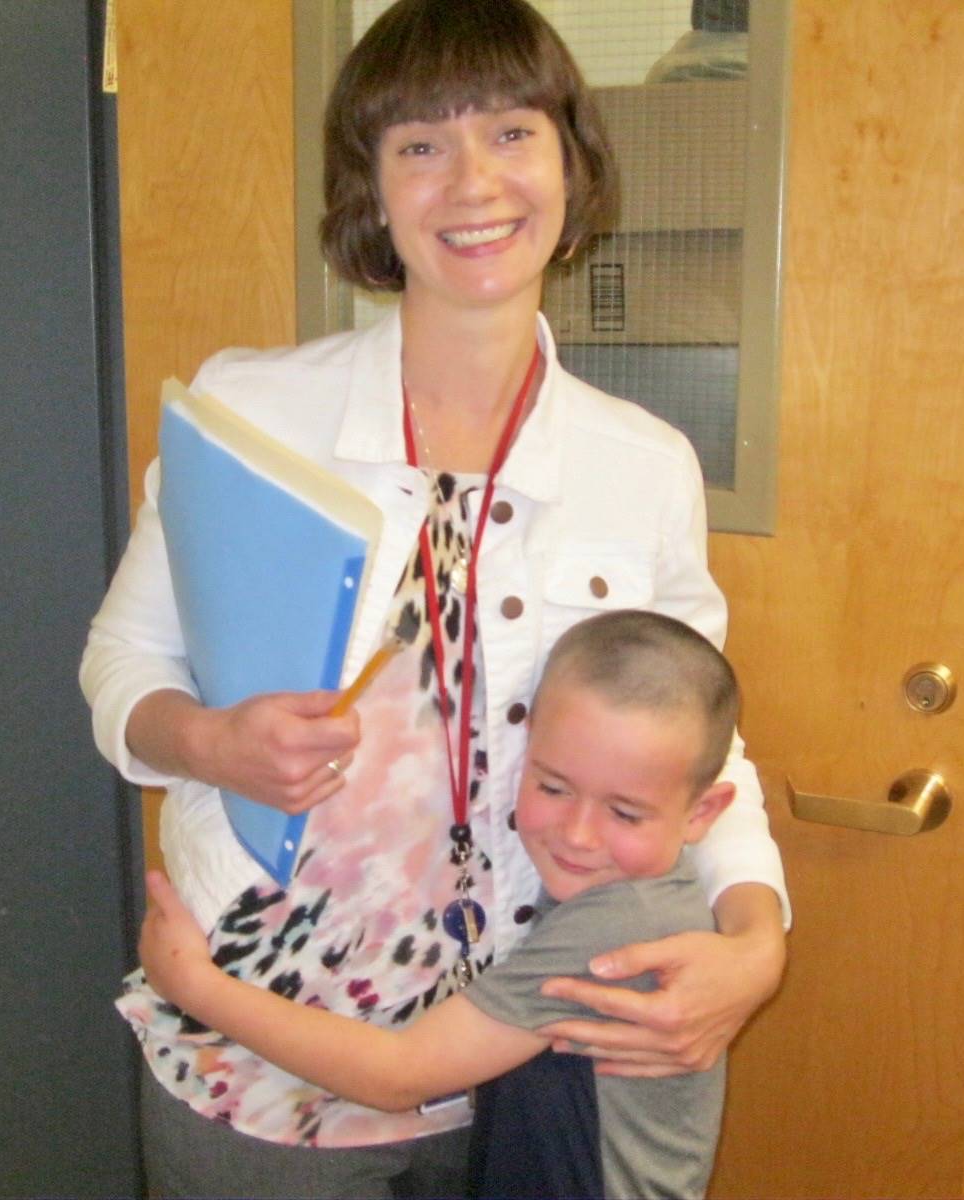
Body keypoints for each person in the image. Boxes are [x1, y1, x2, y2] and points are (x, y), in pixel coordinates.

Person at [80, 0, 788, 1194]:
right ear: (373, 188)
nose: (472, 182)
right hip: (258, 1035)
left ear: (569, 160)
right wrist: (208, 740)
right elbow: (121, 668)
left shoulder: (642, 465)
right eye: (419, 145)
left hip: (511, 1044)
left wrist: (757, 942)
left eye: (511, 133)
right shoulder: (249, 412)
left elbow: (695, 740)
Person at [139, 611, 744, 1200]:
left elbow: (399, 1074)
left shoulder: (618, 927)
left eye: (624, 813)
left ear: (703, 813)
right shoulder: (638, 883)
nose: (578, 834)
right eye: (553, 787)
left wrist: (194, 985)